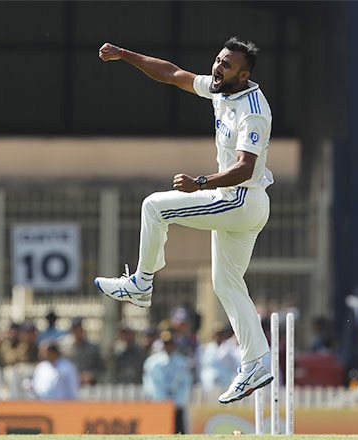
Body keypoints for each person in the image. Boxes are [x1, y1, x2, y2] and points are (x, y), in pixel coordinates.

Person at [95, 37, 274, 403]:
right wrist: (125, 54)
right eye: (218, 60)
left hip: (240, 199)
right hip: (240, 205)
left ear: (244, 74)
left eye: (226, 65)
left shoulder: (253, 109)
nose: (217, 68)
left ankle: (141, 284)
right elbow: (173, 74)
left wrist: (200, 183)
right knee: (226, 284)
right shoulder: (220, 89)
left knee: (155, 206)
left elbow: (245, 167)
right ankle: (258, 362)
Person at [143, 331, 192, 434]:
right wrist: (160, 398)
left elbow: (185, 384)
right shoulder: (152, 362)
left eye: (170, 343)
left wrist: (178, 400)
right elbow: (150, 383)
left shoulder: (182, 362)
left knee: (178, 430)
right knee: (158, 430)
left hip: (177, 403)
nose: (168, 346)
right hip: (159, 401)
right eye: (166, 344)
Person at [58, 317, 105, 385]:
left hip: (89, 386)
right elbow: (59, 367)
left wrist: (91, 374)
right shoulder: (63, 348)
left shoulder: (93, 348)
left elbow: (102, 368)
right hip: (69, 385)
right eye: (75, 328)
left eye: (79, 328)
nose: (77, 331)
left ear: (84, 330)